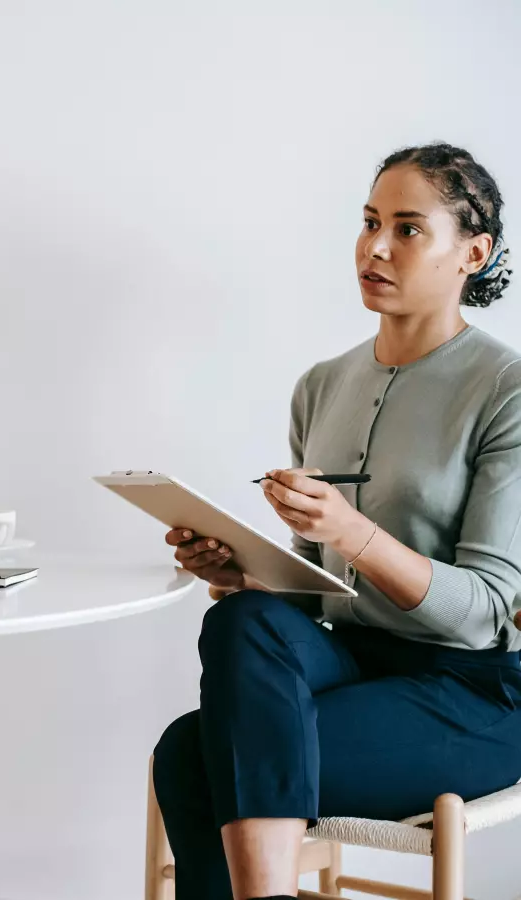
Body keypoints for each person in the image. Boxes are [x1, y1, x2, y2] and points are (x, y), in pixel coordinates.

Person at [153, 143, 521, 900]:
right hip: (352, 658)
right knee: (243, 621)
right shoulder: (320, 387)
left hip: (472, 692)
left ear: (473, 255)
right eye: (369, 222)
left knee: (191, 754)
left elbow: (483, 615)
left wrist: (355, 532)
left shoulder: (505, 389)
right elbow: (316, 602)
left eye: (409, 229)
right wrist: (240, 573)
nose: (375, 247)